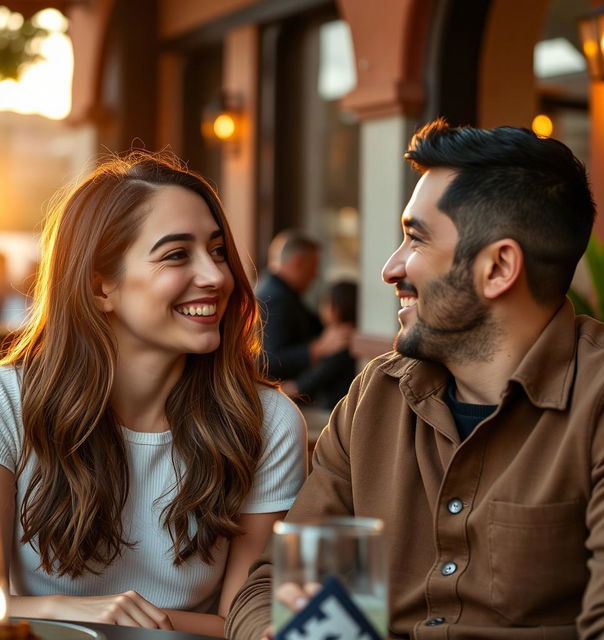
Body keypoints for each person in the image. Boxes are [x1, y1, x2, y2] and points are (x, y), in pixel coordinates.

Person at [225, 119, 604, 639]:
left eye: (415, 240)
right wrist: (275, 633)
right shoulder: (374, 397)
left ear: (497, 268)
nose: (390, 268)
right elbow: (271, 587)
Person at [0, 151, 307, 638]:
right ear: (100, 285)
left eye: (218, 250)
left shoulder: (268, 420)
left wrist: (127, 615)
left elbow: (243, 621)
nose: (216, 276)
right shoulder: (8, 401)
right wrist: (72, 611)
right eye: (176, 254)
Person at [256, 230, 352, 381]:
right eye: (314, 265)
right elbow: (269, 361)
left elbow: (312, 323)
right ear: (298, 262)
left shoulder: (282, 292)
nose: (316, 274)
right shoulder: (275, 298)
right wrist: (319, 348)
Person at [283, 280, 358, 410]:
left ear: (336, 309)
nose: (320, 308)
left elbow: (307, 384)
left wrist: (280, 389)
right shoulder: (337, 337)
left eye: (325, 303)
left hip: (333, 412)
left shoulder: (342, 343)